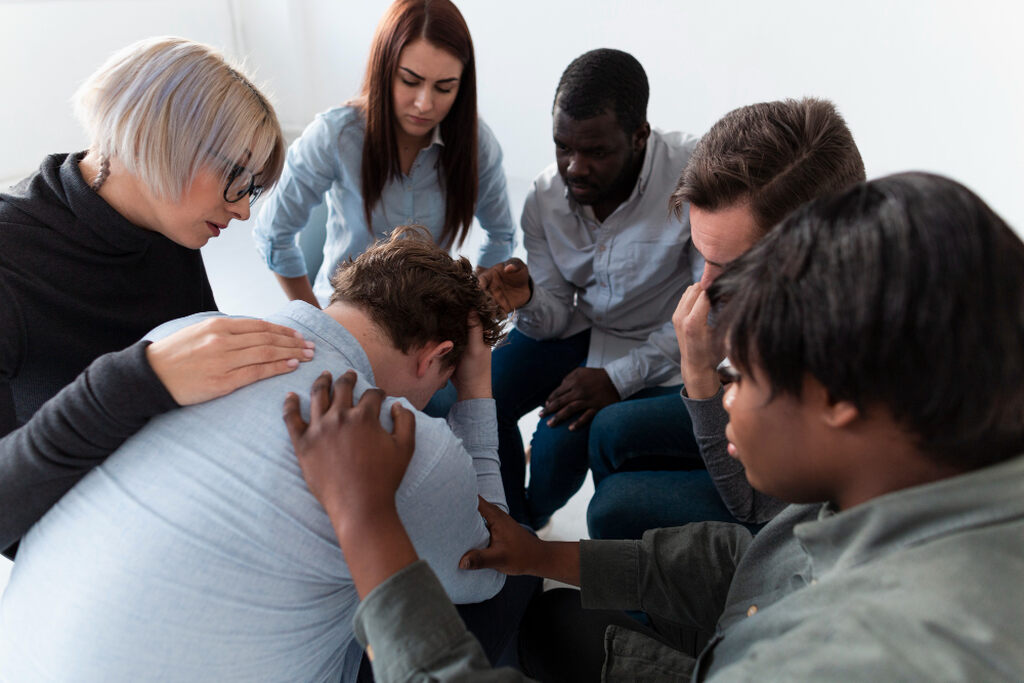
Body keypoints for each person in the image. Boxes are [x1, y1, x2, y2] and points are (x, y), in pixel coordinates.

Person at [288, 172, 1024, 681]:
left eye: (737, 375)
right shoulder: (910, 469)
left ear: (838, 394)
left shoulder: (867, 653)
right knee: (544, 618)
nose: (718, 393)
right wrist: (544, 558)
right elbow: (760, 559)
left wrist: (365, 520)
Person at [0, 227, 521, 681]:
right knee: (506, 587)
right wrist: (475, 394)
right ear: (438, 357)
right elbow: (493, 565)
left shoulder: (186, 337)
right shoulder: (413, 443)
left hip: (21, 659)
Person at [586, 98, 867, 539]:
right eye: (703, 258)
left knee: (615, 508)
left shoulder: (840, 349)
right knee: (609, 429)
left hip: (787, 510)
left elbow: (753, 503)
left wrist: (698, 373)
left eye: (732, 268)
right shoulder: (793, 290)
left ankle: (673, 583)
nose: (705, 286)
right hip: (774, 426)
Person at [0, 36, 303, 440]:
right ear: (151, 139)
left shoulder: (168, 227)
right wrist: (140, 381)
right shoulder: (10, 261)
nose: (243, 210)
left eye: (252, 189)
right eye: (236, 179)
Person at [477, 48, 703, 527]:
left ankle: (530, 521)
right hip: (582, 329)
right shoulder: (543, 199)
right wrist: (529, 299)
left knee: (557, 459)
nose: (575, 167)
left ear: (640, 136)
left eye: (596, 152)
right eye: (563, 147)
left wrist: (617, 379)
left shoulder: (694, 175)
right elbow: (556, 314)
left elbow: (711, 311)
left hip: (663, 348)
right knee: (482, 386)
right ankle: (508, 525)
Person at [253, 0, 515, 308]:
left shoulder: (477, 144)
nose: (424, 104)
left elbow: (501, 235)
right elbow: (273, 234)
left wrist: (473, 307)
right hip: (346, 314)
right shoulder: (334, 135)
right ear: (383, 69)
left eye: (444, 88)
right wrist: (315, 319)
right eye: (410, 81)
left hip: (430, 322)